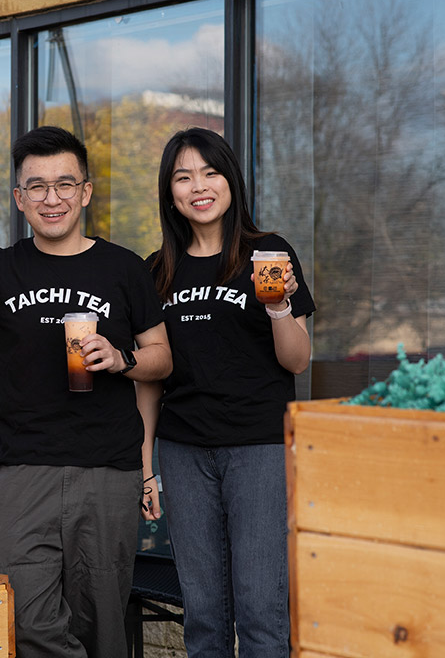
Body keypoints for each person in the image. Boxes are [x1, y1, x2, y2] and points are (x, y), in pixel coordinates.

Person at [0, 125, 172, 658]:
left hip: (108, 471)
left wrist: (121, 359)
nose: (53, 198)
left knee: (104, 628)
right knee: (24, 620)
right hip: (25, 472)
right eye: (38, 187)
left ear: (86, 192)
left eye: (65, 184)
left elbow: (161, 357)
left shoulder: (124, 268)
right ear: (20, 200)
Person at [136, 127, 314, 657]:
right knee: (204, 613)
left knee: (261, 608)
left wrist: (280, 307)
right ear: (170, 192)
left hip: (258, 447)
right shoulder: (157, 271)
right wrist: (145, 465)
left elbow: (298, 360)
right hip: (185, 449)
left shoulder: (268, 254)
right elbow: (150, 378)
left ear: (230, 181)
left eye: (210, 172)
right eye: (183, 176)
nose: (199, 186)